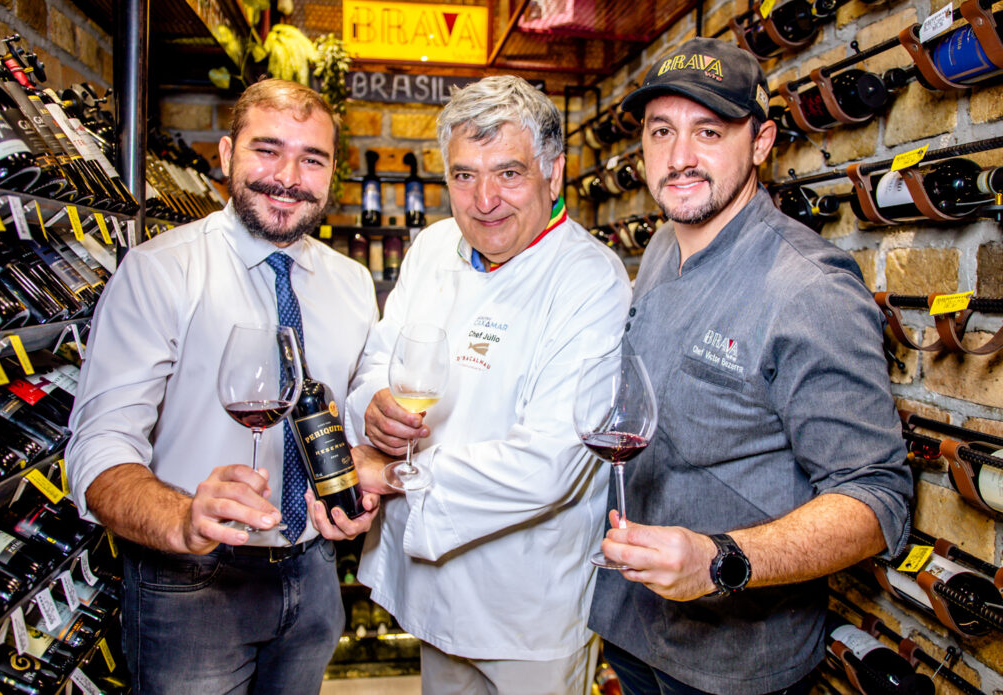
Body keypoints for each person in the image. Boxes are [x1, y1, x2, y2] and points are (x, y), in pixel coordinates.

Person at [588, 37, 913, 695]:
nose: (679, 158)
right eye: (661, 131)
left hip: (731, 664)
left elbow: (878, 498)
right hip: (630, 627)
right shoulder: (659, 245)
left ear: (761, 142)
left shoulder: (807, 288)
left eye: (708, 131)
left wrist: (721, 561)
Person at [65, 79, 381, 695]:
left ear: (331, 174)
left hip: (315, 575)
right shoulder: (161, 271)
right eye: (267, 150)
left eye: (311, 158)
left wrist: (371, 457)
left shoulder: (350, 283)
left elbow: (353, 411)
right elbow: (97, 449)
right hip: (192, 584)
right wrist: (185, 520)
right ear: (225, 154)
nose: (288, 176)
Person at [344, 75, 632, 695]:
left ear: (553, 173)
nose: (483, 200)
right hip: (431, 585)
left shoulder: (590, 280)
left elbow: (551, 463)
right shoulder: (432, 247)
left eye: (508, 173)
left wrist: (393, 476)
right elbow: (377, 358)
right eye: (464, 176)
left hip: (525, 607)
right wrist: (371, 408)